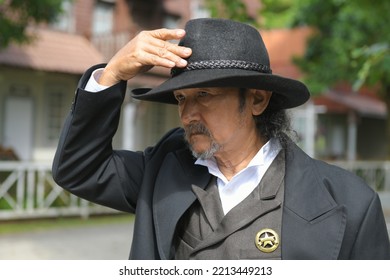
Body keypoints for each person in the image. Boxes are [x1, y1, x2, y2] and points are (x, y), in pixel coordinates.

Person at [52, 18, 390, 259]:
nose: (187, 114)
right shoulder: (161, 172)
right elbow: (78, 168)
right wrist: (111, 74)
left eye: (205, 95)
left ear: (257, 99)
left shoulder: (352, 204)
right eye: (182, 99)